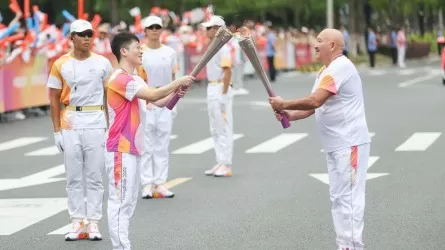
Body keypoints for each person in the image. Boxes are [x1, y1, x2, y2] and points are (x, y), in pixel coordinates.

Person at [269, 28, 371, 250]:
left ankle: (352, 246)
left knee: (349, 199)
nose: (315, 45)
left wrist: (284, 103)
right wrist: (290, 114)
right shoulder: (326, 71)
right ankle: (344, 245)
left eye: (319, 41)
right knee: (338, 198)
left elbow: (315, 101)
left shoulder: (341, 67)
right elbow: (315, 107)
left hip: (349, 143)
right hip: (336, 146)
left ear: (332, 46)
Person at [105, 31, 193, 250]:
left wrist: (177, 93)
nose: (140, 49)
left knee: (129, 202)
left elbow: (159, 102)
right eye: (137, 46)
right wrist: (178, 81)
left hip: (132, 148)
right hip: (120, 149)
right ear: (124, 52)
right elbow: (154, 95)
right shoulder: (119, 78)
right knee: (120, 201)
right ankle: (121, 247)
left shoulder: (135, 79)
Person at [47, 19, 112, 241]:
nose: (87, 38)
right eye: (81, 34)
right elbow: (54, 98)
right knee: (73, 176)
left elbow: (109, 97)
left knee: (94, 175)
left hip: (95, 120)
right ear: (71, 37)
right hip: (70, 121)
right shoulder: (60, 64)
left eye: (89, 34)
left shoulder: (103, 63)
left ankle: (93, 223)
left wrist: (110, 126)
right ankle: (77, 222)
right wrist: (56, 131)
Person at [138, 16, 179, 199]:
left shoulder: (170, 52)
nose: (155, 30)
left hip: (165, 99)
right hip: (146, 99)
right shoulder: (140, 52)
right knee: (146, 145)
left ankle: (160, 183)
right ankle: (146, 184)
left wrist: (174, 101)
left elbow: (175, 77)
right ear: (145, 31)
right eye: (151, 27)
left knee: (162, 144)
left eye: (158, 27)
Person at [200, 15, 234, 177]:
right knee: (214, 127)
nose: (206, 31)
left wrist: (224, 93)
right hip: (212, 86)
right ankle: (220, 160)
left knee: (224, 126)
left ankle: (226, 164)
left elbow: (227, 71)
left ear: (217, 29)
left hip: (220, 87)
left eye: (209, 28)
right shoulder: (212, 46)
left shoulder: (224, 48)